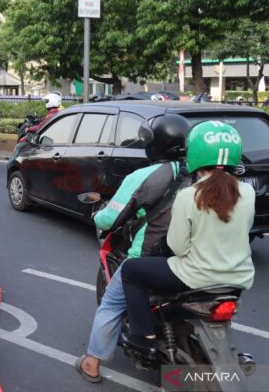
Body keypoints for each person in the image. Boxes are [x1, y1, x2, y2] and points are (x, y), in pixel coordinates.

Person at [122, 121, 255, 360]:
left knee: (132, 271)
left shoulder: (188, 195)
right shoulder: (248, 192)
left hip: (196, 278)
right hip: (237, 281)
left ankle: (143, 336)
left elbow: (178, 247)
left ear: (194, 154)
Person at [75, 114, 190, 383]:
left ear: (154, 145)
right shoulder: (196, 176)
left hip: (147, 259)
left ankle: (91, 364)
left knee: (110, 305)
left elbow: (111, 217)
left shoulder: (143, 176)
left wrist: (96, 216)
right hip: (188, 259)